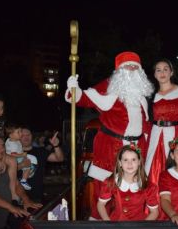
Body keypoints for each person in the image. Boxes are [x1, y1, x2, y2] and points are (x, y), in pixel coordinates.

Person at [65, 51, 154, 219]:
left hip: (137, 149)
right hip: (111, 149)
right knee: (104, 191)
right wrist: (74, 89)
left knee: (134, 192)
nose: (131, 69)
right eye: (127, 66)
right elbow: (84, 99)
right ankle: (99, 222)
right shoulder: (109, 86)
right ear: (119, 70)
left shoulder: (141, 95)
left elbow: (145, 125)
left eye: (135, 67)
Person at [145, 58, 178, 185]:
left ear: (171, 72)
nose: (162, 73)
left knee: (175, 171)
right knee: (152, 173)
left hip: (177, 137)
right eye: (158, 70)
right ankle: (154, 203)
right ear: (154, 74)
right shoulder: (150, 95)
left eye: (165, 69)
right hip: (155, 138)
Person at [97, 144, 159, 221]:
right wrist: (108, 222)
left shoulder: (148, 186)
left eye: (133, 159)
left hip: (139, 224)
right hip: (116, 223)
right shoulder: (111, 182)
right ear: (120, 163)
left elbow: (154, 212)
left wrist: (142, 226)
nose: (130, 164)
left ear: (139, 162)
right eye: (125, 160)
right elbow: (101, 204)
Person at [18, 127, 64, 203]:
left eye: (28, 135)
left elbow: (59, 158)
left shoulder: (40, 151)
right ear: (18, 137)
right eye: (23, 135)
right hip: (17, 196)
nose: (26, 137)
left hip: (36, 195)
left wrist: (56, 146)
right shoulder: (12, 153)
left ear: (32, 136)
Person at [5, 124, 37, 191]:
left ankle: (24, 177)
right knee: (29, 162)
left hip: (17, 157)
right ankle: (24, 179)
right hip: (15, 158)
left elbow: (19, 149)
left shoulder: (14, 140)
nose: (21, 134)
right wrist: (22, 155)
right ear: (11, 135)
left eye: (20, 131)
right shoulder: (12, 144)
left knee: (30, 160)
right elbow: (13, 154)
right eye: (18, 132)